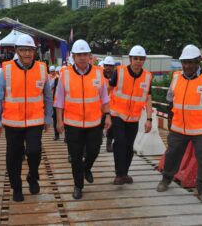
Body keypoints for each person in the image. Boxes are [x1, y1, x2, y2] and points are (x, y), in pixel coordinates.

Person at [156, 44, 202, 203]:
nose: (187, 66)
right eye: (184, 62)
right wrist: (169, 121)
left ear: (198, 62)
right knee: (172, 155)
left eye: (191, 62)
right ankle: (166, 179)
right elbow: (170, 101)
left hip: (201, 130)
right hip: (179, 128)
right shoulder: (176, 77)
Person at [0, 34, 53, 202]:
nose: (27, 54)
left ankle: (32, 176)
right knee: (13, 157)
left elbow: (48, 96)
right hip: (12, 122)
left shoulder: (42, 69)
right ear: (17, 52)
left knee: (34, 152)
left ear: (35, 51)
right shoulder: (6, 70)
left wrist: (48, 117)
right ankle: (16, 188)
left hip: (35, 121)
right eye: (23, 50)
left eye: (30, 50)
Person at [54, 39, 111, 200]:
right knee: (75, 157)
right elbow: (59, 100)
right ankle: (78, 185)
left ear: (89, 56)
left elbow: (104, 97)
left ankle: (87, 168)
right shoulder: (65, 74)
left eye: (85, 54)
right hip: (72, 124)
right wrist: (59, 121)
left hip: (94, 123)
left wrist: (107, 115)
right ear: (73, 56)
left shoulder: (98, 73)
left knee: (94, 150)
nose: (82, 58)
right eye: (78, 55)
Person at [109, 45, 153, 185]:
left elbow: (148, 98)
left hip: (134, 117)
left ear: (144, 60)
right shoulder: (119, 72)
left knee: (129, 146)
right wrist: (106, 112)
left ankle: (124, 173)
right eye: (135, 58)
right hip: (117, 114)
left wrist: (149, 119)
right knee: (120, 142)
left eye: (141, 59)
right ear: (130, 59)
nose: (138, 61)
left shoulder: (147, 77)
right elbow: (108, 90)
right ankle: (118, 174)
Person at [102, 56, 116, 152]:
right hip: (100, 106)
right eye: (107, 65)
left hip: (112, 106)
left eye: (110, 66)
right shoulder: (99, 75)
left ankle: (108, 144)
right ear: (104, 66)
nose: (108, 68)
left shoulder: (116, 77)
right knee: (97, 125)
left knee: (111, 127)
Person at [49, 65, 60, 140]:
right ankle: (57, 135)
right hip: (55, 101)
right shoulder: (55, 79)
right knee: (55, 119)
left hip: (61, 102)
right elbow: (49, 87)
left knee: (57, 119)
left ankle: (58, 135)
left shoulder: (56, 79)